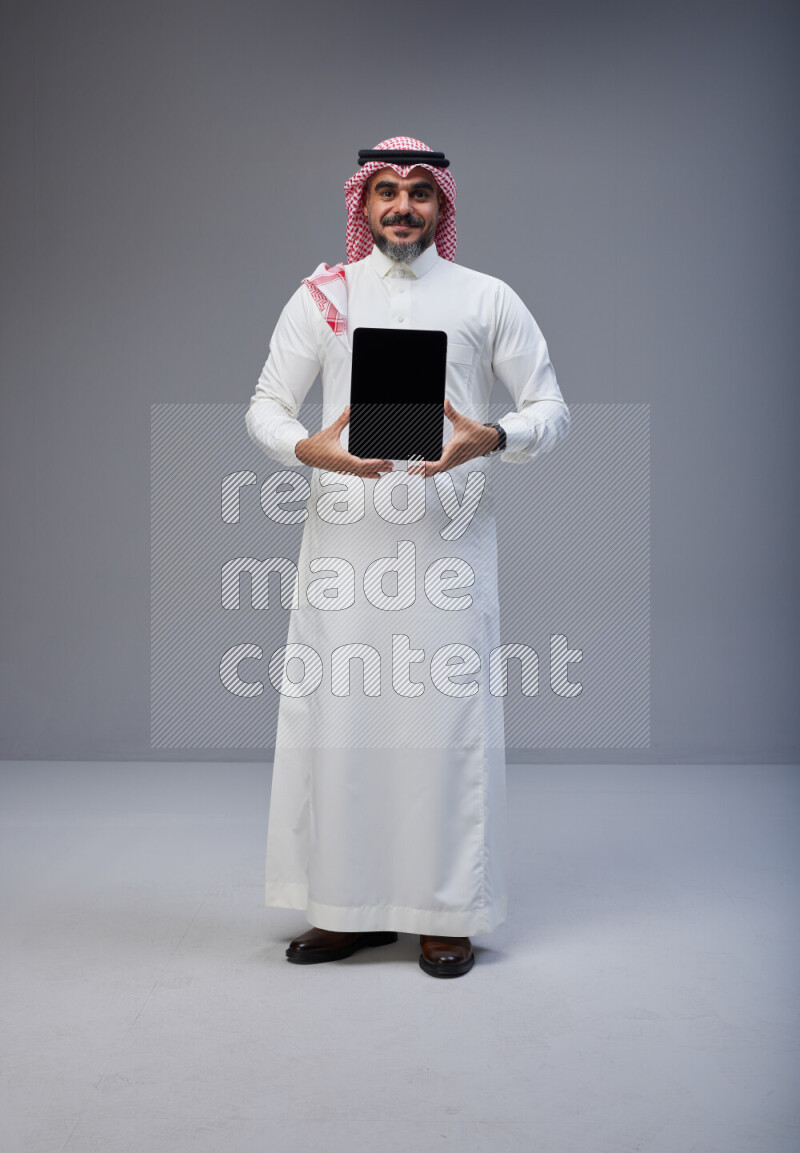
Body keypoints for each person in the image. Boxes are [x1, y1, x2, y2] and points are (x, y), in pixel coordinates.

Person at [246, 136, 569, 978]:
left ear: (441, 207)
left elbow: (550, 408)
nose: (401, 206)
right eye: (385, 190)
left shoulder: (486, 297)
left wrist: (493, 437)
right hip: (346, 549)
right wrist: (303, 451)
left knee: (443, 728)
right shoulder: (324, 296)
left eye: (418, 193)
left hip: (446, 547)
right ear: (362, 204)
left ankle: (444, 912)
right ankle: (347, 909)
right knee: (344, 725)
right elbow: (267, 406)